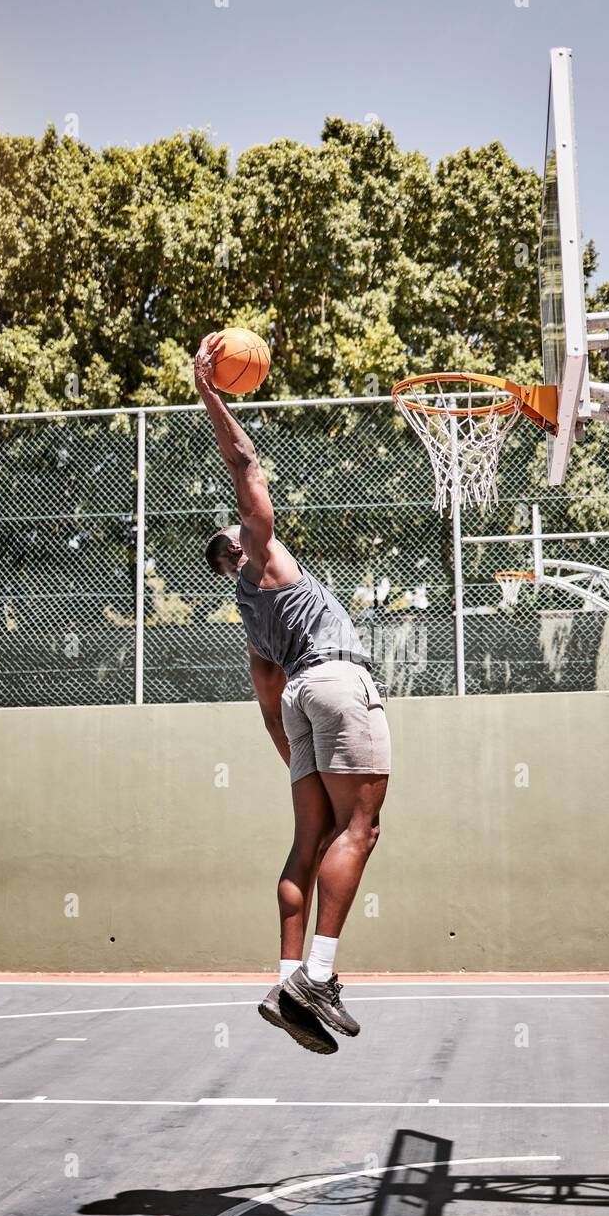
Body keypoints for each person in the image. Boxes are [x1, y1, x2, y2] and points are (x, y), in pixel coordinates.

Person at [195, 332, 390, 1055]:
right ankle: (321, 973)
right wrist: (209, 390)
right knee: (360, 830)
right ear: (241, 546)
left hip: (298, 704)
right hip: (337, 682)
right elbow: (244, 461)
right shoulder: (265, 552)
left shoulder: (250, 615)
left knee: (308, 839)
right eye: (244, 530)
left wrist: (295, 760)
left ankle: (285, 980)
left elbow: (264, 692)